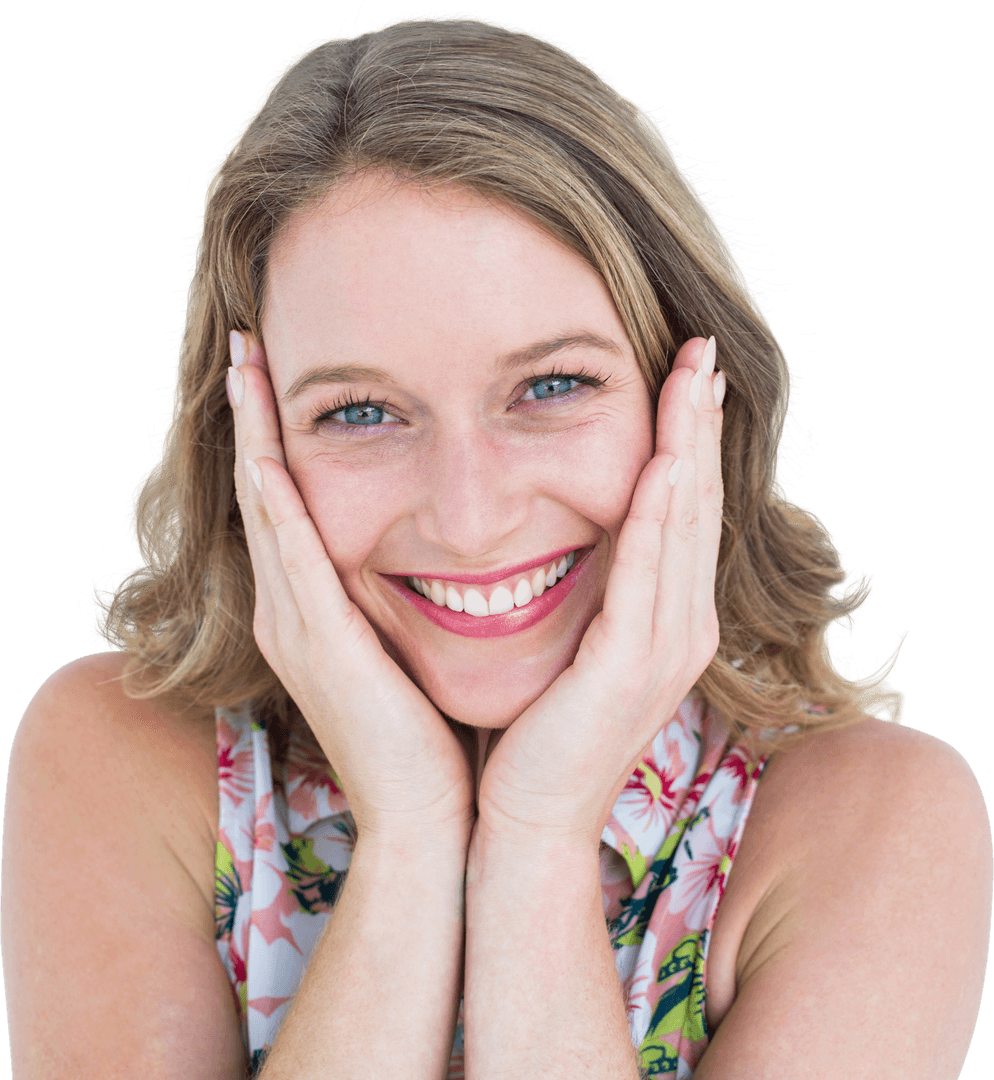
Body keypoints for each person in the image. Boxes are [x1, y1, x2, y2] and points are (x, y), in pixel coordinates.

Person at [2, 11, 990, 1080]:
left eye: (552, 386)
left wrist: (537, 838)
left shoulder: (878, 825)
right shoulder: (120, 756)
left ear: (689, 398)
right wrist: (415, 831)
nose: (468, 520)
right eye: (359, 413)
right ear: (250, 445)